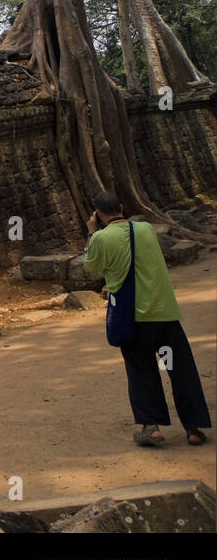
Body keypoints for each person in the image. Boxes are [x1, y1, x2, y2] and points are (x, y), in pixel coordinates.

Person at [82, 191, 211, 447]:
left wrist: (91, 232)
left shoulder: (100, 239)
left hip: (133, 319)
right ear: (121, 206)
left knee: (141, 370)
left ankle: (151, 428)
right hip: (164, 314)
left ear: (98, 214)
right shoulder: (146, 230)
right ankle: (194, 428)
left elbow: (91, 266)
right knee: (181, 370)